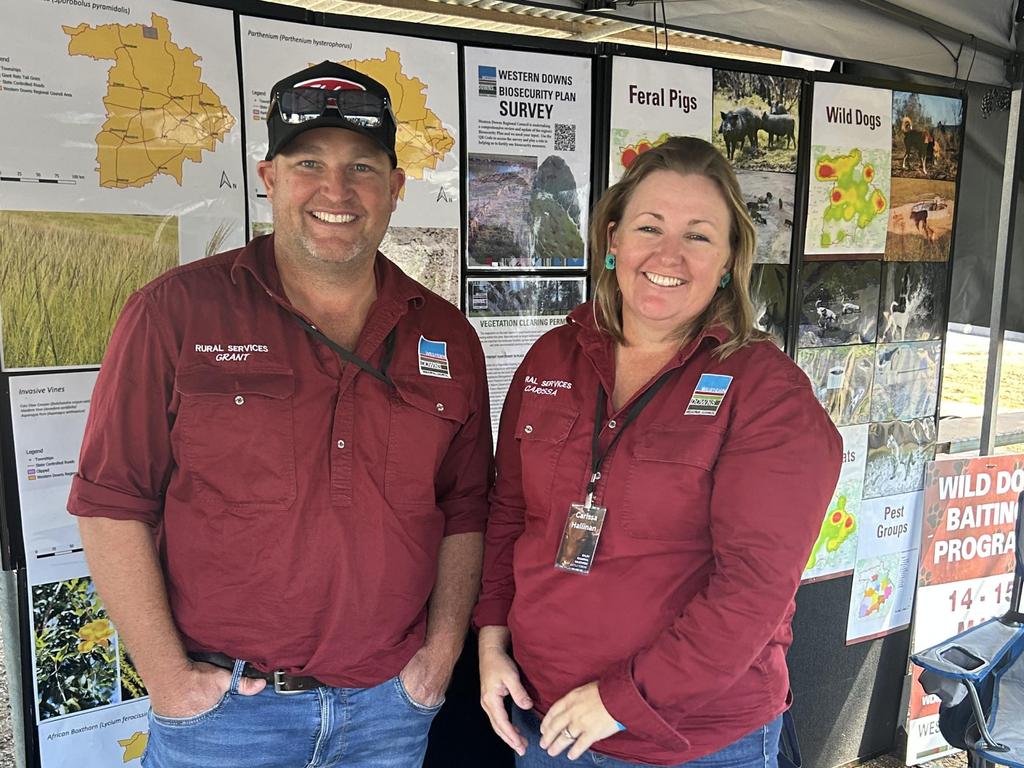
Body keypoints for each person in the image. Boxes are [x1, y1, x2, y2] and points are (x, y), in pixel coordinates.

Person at [68, 61, 492, 768]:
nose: (335, 190)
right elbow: (112, 503)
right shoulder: (173, 312)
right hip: (226, 715)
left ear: (394, 189)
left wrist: (438, 660)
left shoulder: (446, 337)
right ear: (268, 179)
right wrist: (169, 681)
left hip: (388, 709)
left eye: (362, 167)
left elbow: (466, 508)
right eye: (308, 164)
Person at [475, 137, 842, 768]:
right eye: (650, 227)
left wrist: (622, 698)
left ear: (730, 260)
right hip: (548, 721)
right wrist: (491, 639)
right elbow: (511, 511)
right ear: (613, 239)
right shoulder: (550, 359)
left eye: (698, 236)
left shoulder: (767, 393)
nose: (667, 254)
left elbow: (752, 590)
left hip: (692, 742)